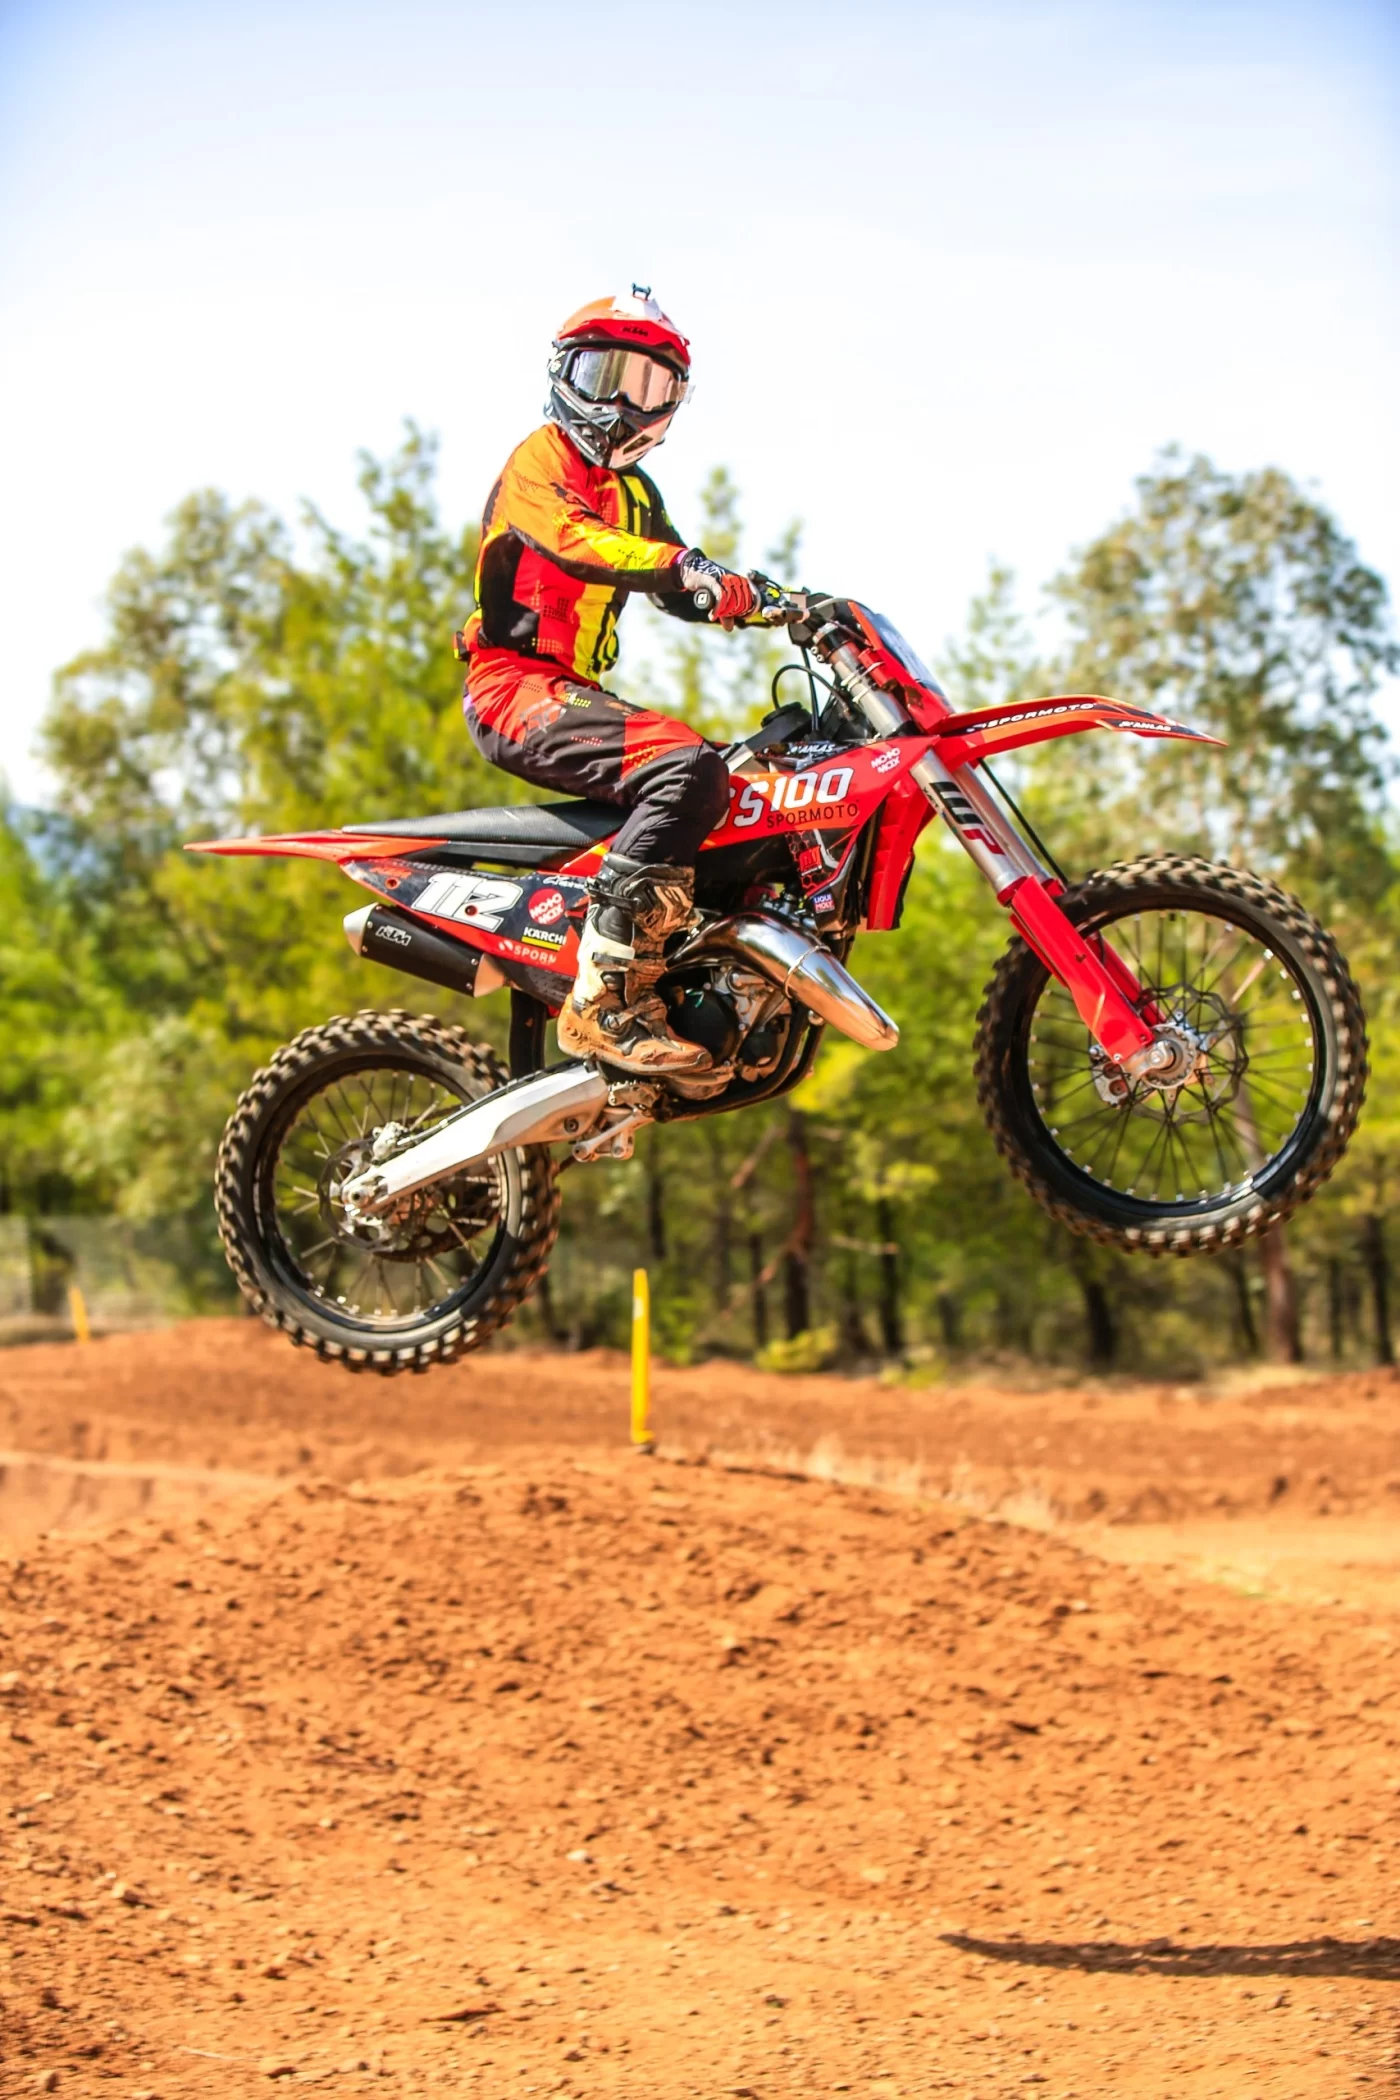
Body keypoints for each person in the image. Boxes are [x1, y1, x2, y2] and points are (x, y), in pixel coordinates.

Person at [456, 287, 762, 1075]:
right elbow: (575, 540)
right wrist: (683, 565)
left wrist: (765, 601)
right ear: (566, 373)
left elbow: (676, 587)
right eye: (607, 376)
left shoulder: (634, 494)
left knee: (742, 781)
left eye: (650, 386)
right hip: (513, 685)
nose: (625, 404)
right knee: (686, 770)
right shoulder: (541, 459)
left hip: (568, 691)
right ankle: (605, 1001)